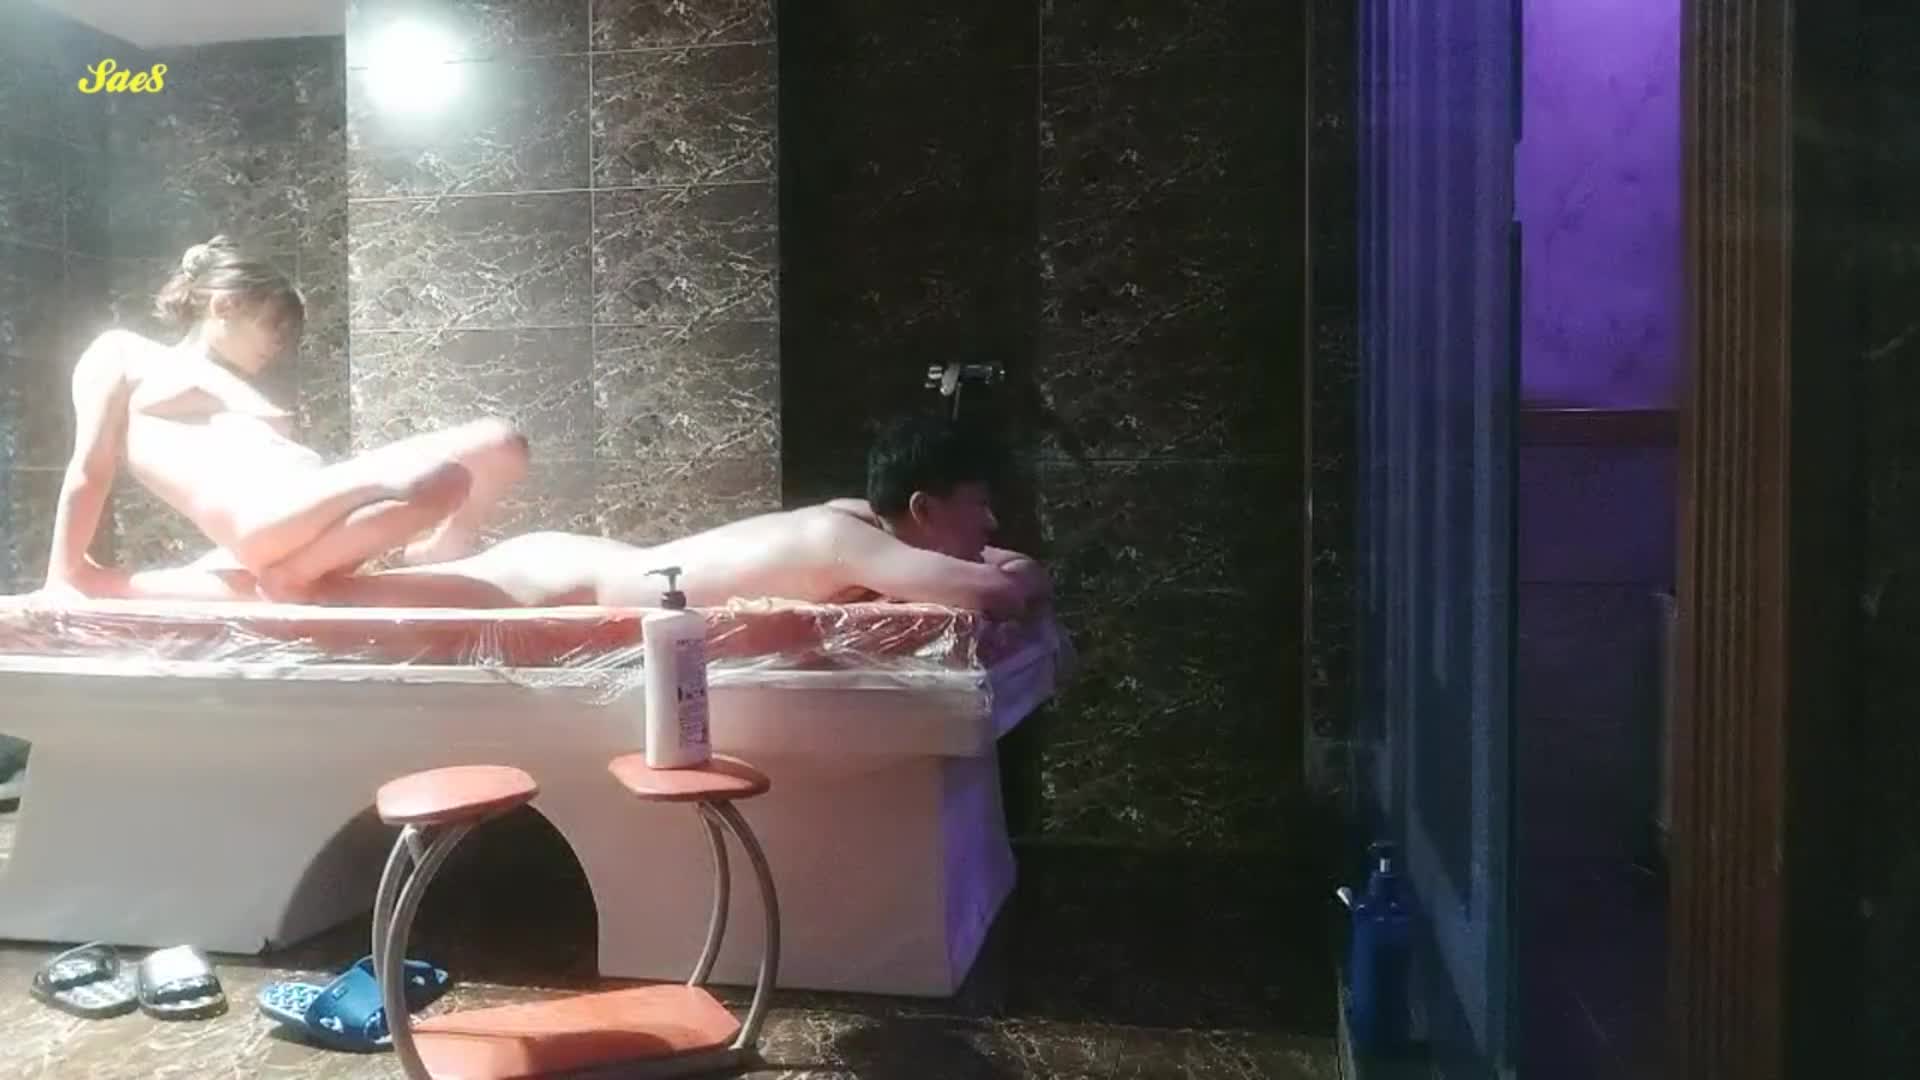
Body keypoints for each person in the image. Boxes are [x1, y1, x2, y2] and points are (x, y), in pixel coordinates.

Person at [91, 414, 1055, 620]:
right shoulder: (851, 539)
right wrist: (1014, 567)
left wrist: (995, 556)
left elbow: (975, 570)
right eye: (979, 508)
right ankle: (128, 587)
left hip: (578, 562)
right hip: (550, 581)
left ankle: (203, 570)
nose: (991, 525)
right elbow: (996, 592)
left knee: (342, 584)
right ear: (922, 509)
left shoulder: (858, 522)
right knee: (310, 592)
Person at [44, 236, 530, 601]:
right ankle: (290, 577)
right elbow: (90, 468)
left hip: (318, 516)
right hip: (262, 521)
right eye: (273, 326)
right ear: (225, 305)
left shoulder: (239, 386)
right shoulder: (126, 353)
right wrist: (61, 579)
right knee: (437, 478)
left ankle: (440, 547)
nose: (280, 343)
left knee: (499, 442)